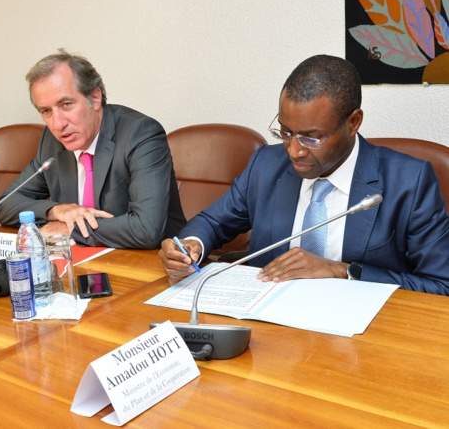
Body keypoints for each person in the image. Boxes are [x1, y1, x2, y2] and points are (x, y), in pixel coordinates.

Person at [160, 54, 449, 295]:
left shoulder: (409, 182)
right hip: (269, 327)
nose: (294, 151)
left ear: (353, 122)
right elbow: (212, 222)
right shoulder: (267, 164)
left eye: (312, 138)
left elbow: (440, 285)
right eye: (285, 132)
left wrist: (341, 271)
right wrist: (190, 247)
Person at [0, 49, 186, 248]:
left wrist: (70, 229)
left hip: (150, 262)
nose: (58, 124)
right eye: (46, 111)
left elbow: (146, 229)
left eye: (66, 104)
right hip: (83, 261)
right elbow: (5, 205)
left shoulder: (140, 134)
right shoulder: (52, 142)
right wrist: (57, 211)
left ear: (94, 98)